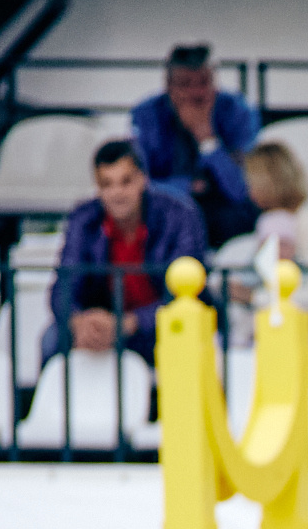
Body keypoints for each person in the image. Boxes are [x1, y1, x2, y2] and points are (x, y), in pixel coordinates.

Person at [46, 140, 206, 366]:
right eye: (107, 184)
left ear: (143, 179)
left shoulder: (179, 216)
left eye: (125, 182)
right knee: (51, 339)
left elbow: (186, 294)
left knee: (181, 333)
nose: (117, 193)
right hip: (104, 323)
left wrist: (130, 323)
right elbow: (63, 287)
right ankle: (52, 402)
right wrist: (79, 322)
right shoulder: (83, 219)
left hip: (158, 325)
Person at [132, 44, 260, 248]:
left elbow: (241, 189)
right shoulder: (147, 115)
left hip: (225, 209)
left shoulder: (237, 111)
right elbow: (141, 183)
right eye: (185, 84)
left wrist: (207, 138)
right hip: (167, 208)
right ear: (168, 85)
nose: (195, 94)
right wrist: (186, 186)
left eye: (203, 83)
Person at [236, 138, 308, 318]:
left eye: (251, 183)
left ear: (267, 182)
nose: (249, 192)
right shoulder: (269, 224)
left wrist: (254, 298)